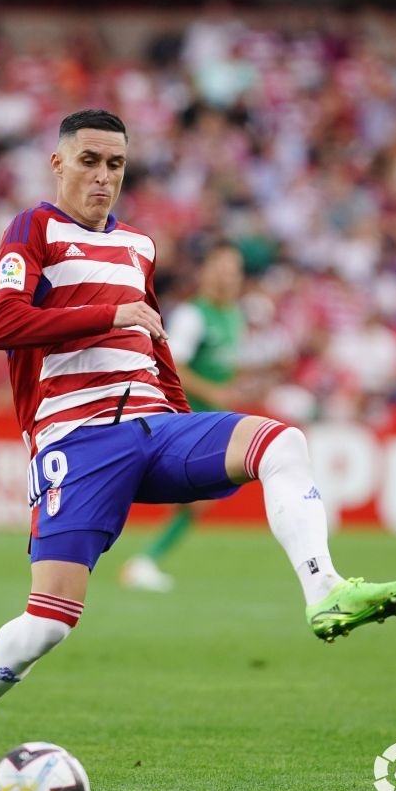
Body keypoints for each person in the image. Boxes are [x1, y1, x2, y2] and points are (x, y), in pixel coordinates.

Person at [0, 108, 396, 749]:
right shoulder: (32, 229)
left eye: (116, 164)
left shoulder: (139, 246)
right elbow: (1, 326)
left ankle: (325, 590)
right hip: (77, 439)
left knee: (281, 442)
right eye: (90, 161)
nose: (103, 176)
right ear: (58, 162)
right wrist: (110, 312)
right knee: (49, 623)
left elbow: (152, 344)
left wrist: (183, 420)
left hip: (154, 426)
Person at [119, 241, 246, 592]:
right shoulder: (194, 315)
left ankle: (144, 561)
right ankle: (142, 561)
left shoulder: (235, 316)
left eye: (233, 272)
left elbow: (224, 367)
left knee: (199, 499)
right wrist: (214, 392)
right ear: (206, 273)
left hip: (210, 417)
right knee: (197, 496)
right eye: (221, 270)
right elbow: (173, 365)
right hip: (181, 415)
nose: (227, 278)